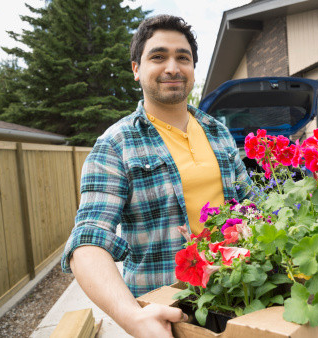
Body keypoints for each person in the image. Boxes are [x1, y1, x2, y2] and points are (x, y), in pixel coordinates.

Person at [60, 15, 251, 338]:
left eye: (183, 58)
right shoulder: (115, 144)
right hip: (169, 312)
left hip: (238, 293)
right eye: (158, 56)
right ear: (136, 69)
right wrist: (133, 318)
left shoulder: (217, 132)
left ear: (193, 69)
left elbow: (250, 205)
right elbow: (88, 241)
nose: (173, 67)